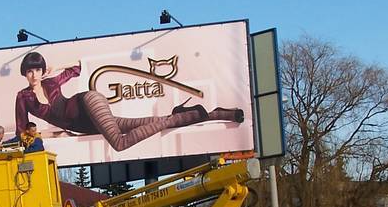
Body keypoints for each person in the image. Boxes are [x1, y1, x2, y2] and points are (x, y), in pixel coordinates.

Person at [13, 51, 244, 152]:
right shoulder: (23, 97)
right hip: (90, 123)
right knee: (154, 121)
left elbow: (78, 66)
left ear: (42, 70)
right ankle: (221, 114)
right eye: (30, 71)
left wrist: (56, 67)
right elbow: (23, 129)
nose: (34, 74)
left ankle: (176, 115)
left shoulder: (52, 81)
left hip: (88, 103)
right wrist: (47, 135)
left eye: (37, 69)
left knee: (119, 143)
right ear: (24, 73)